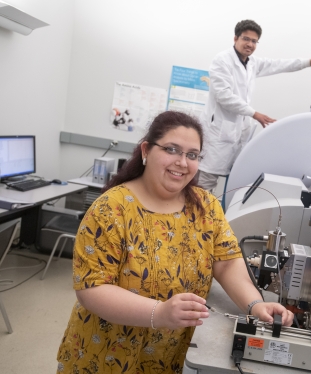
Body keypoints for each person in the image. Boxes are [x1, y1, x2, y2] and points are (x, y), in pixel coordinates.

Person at [56, 111, 293, 374]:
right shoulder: (111, 209)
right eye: (172, 149)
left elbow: (226, 263)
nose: (182, 162)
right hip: (106, 355)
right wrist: (159, 313)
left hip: (165, 357)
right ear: (146, 150)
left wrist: (255, 303)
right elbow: (92, 289)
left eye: (192, 155)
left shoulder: (205, 207)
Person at [197, 19, 311, 191]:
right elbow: (224, 96)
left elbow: (279, 65)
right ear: (235, 38)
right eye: (246, 39)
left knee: (233, 181)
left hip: (237, 133)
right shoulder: (222, 60)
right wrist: (254, 113)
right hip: (217, 134)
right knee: (204, 185)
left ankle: (215, 216)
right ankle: (197, 217)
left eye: (254, 41)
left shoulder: (252, 63)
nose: (250, 44)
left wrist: (309, 62)